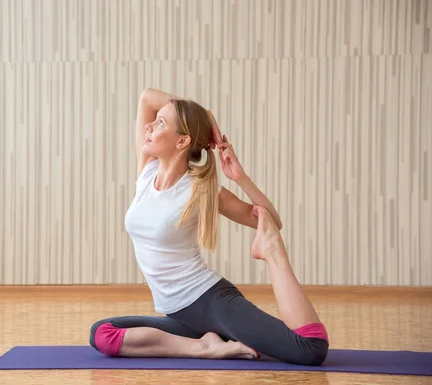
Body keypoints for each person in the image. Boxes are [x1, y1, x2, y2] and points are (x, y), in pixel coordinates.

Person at [88, 88, 329, 365]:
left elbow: (271, 221)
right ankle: (205, 347)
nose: (149, 125)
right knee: (103, 333)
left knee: (310, 349)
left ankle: (272, 256)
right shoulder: (147, 172)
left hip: (210, 302)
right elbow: (146, 98)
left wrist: (240, 177)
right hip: (179, 313)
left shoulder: (200, 190)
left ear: (182, 141)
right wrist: (208, 118)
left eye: (161, 123)